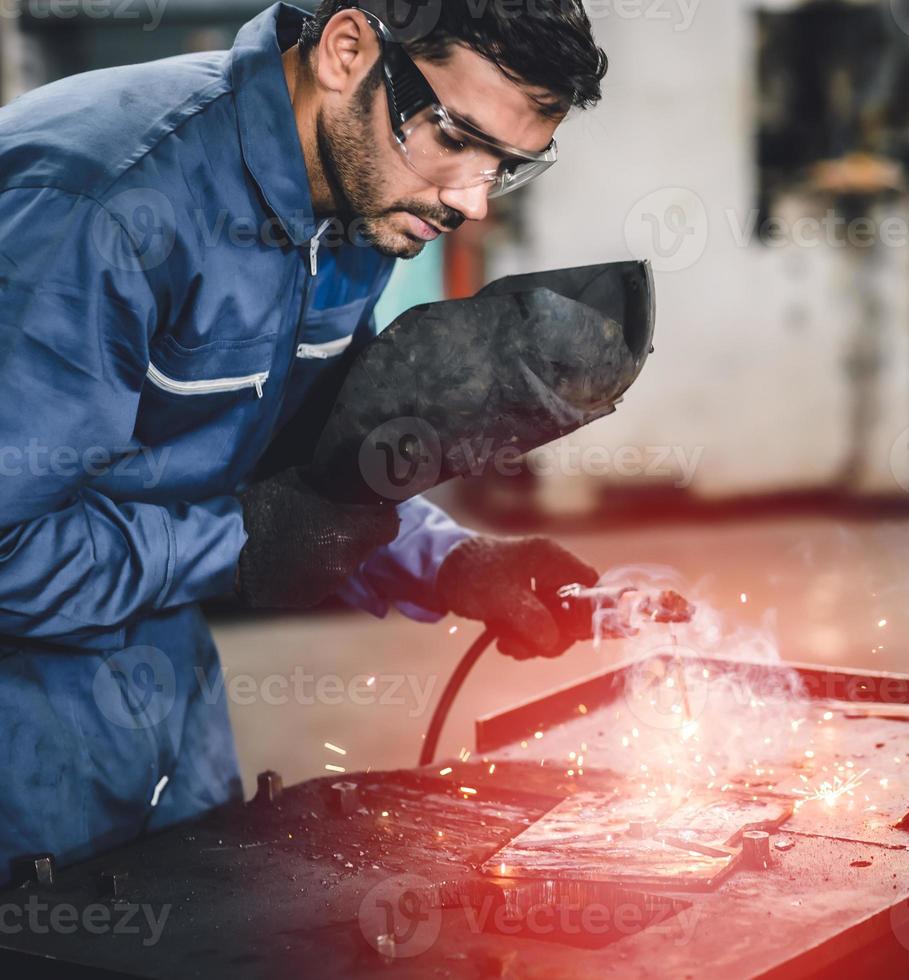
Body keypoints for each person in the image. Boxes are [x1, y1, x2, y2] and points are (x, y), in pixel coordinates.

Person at [0, 0, 609, 880]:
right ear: (348, 49)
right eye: (455, 136)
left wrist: (446, 561)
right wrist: (237, 547)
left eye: (507, 166)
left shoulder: (358, 203)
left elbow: (302, 459)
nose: (471, 200)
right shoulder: (104, 206)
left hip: (160, 691)